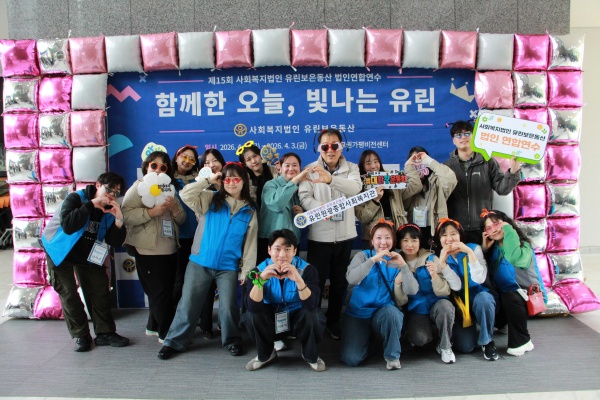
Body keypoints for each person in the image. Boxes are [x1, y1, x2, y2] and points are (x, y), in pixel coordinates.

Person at [157, 162, 257, 360]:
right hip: (200, 262)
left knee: (228, 307)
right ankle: (174, 342)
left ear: (243, 182)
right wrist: (207, 180)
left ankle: (232, 340)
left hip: (228, 267)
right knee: (188, 305)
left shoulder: (250, 210)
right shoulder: (210, 198)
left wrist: (247, 270)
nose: (231, 183)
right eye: (227, 179)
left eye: (236, 179)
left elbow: (250, 243)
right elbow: (185, 194)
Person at [41, 172, 129, 352]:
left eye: (116, 193)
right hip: (60, 251)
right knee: (69, 294)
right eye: (108, 190)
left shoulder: (110, 209)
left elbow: (114, 241)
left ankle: (105, 333)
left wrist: (119, 220)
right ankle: (81, 335)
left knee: (99, 290)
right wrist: (91, 205)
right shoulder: (76, 198)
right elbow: (68, 226)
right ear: (98, 185)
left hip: (88, 254)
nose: (111, 195)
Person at [298, 128, 362, 340]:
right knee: (315, 282)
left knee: (339, 283)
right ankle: (314, 320)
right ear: (318, 148)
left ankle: (334, 321)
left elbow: (355, 189)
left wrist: (330, 180)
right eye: (325, 146)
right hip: (319, 238)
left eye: (335, 145)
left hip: (345, 236)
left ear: (342, 147)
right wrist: (321, 209)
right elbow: (304, 197)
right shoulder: (310, 170)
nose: (330, 150)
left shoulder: (352, 168)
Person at [121, 151, 186, 343]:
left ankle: (153, 326)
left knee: (164, 292)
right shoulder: (138, 187)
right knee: (159, 294)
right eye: (154, 165)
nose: (158, 170)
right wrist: (151, 212)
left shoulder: (170, 189)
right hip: (147, 250)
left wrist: (174, 209)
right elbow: (125, 215)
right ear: (146, 167)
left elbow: (182, 219)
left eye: (163, 167)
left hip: (170, 249)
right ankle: (167, 334)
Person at [242, 229, 326, 372]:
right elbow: (252, 307)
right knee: (251, 316)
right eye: (277, 249)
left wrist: (298, 279)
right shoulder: (257, 271)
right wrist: (261, 280)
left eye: (287, 249)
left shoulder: (307, 270)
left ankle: (309, 354)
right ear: (269, 250)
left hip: (297, 318)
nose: (282, 255)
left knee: (314, 316)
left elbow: (311, 305)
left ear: (295, 251)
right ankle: (266, 354)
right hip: (271, 319)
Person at [340, 220, 418, 370]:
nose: (383, 242)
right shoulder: (362, 256)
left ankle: (392, 356)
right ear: (372, 241)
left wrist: (403, 266)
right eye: (379, 238)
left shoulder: (396, 259)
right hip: (358, 313)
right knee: (352, 358)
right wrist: (373, 260)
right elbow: (352, 278)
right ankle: (370, 341)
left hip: (383, 311)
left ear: (393, 240)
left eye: (387, 237)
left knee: (392, 313)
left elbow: (412, 290)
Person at [444, 120, 521, 244]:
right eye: (458, 135)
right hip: (456, 229)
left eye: (467, 133)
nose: (463, 137)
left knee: (484, 256)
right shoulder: (446, 167)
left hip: (483, 227)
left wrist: (513, 171)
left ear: (474, 136)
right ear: (454, 140)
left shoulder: (488, 162)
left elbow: (502, 189)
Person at [434, 218, 498, 361]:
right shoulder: (440, 257)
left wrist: (469, 253)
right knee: (465, 347)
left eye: (453, 234)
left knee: (484, 299)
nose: (449, 239)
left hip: (478, 296)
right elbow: (456, 286)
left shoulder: (474, 248)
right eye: (444, 235)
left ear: (460, 235)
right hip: (459, 304)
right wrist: (443, 264)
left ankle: (487, 341)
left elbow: (479, 279)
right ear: (439, 239)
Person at [481, 209, 543, 356]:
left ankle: (522, 341)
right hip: (504, 299)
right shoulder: (493, 250)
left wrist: (508, 230)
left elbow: (514, 257)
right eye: (488, 228)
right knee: (486, 300)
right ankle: (506, 323)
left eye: (496, 224)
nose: (494, 229)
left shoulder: (524, 246)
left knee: (510, 297)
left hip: (527, 298)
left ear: (506, 223)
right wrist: (484, 250)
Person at [397, 223, 461, 364]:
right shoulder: (397, 263)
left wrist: (435, 276)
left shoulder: (431, 258)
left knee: (445, 307)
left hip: (437, 303)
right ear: (399, 243)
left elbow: (445, 291)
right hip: (416, 309)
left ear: (420, 242)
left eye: (414, 240)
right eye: (405, 240)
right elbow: (400, 300)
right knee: (420, 339)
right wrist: (397, 283)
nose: (410, 245)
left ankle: (445, 346)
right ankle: (424, 332)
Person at [355, 149, 422, 249]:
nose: (373, 166)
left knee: (397, 259)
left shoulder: (392, 180)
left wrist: (408, 166)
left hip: (397, 232)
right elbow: (363, 217)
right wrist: (375, 200)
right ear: (362, 166)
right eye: (368, 163)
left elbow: (416, 186)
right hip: (374, 237)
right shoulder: (359, 187)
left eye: (376, 161)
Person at [196, 148, 227, 339]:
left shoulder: (230, 182)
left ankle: (225, 325)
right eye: (207, 162)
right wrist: (206, 182)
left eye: (215, 160)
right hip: (207, 244)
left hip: (227, 245)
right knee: (206, 289)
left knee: (226, 291)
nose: (211, 165)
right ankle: (205, 325)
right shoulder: (200, 185)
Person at [258, 152, 310, 263]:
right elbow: (277, 204)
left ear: (300, 168)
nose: (291, 168)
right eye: (287, 165)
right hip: (271, 241)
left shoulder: (300, 188)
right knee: (269, 273)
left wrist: (302, 212)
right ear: (280, 168)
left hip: (292, 242)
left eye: (295, 165)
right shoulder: (270, 185)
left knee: (290, 273)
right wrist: (295, 181)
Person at [403, 146, 457, 248]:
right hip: (414, 230)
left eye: (420, 159)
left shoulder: (437, 179)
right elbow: (404, 201)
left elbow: (451, 179)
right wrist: (409, 169)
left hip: (435, 228)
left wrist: (429, 161)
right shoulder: (405, 181)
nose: (418, 162)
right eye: (414, 159)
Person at [171, 145, 200, 305]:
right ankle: (174, 315)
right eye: (184, 157)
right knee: (178, 278)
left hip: (197, 238)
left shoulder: (200, 181)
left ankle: (193, 314)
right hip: (176, 238)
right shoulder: (166, 180)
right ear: (176, 157)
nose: (187, 161)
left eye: (192, 159)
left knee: (196, 279)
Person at [237, 141, 277, 213]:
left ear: (261, 155)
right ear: (245, 164)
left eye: (255, 156)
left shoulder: (275, 171)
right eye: (248, 159)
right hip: (255, 216)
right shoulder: (246, 180)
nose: (253, 161)